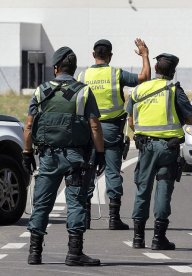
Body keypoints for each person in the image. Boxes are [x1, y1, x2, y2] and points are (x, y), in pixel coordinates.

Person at [22, 47, 105, 266]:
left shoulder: (41, 91)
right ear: (74, 68)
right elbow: (95, 126)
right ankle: (74, 253)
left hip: (48, 156)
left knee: (41, 203)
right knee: (76, 202)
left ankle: (34, 252)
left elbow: (29, 126)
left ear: (56, 67)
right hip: (75, 157)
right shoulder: (84, 92)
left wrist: (27, 153)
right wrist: (101, 153)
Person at [126, 53, 192, 250]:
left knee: (142, 189)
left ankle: (138, 238)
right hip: (168, 148)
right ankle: (159, 239)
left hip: (146, 147)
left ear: (156, 69)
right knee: (164, 190)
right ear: (173, 72)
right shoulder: (175, 90)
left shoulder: (139, 89)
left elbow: (131, 120)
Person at [77, 38, 150, 230]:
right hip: (110, 130)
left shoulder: (82, 76)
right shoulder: (116, 74)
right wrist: (144, 55)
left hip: (87, 131)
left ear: (93, 55)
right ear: (110, 56)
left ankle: (84, 218)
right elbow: (144, 78)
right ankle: (113, 218)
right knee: (112, 172)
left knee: (87, 171)